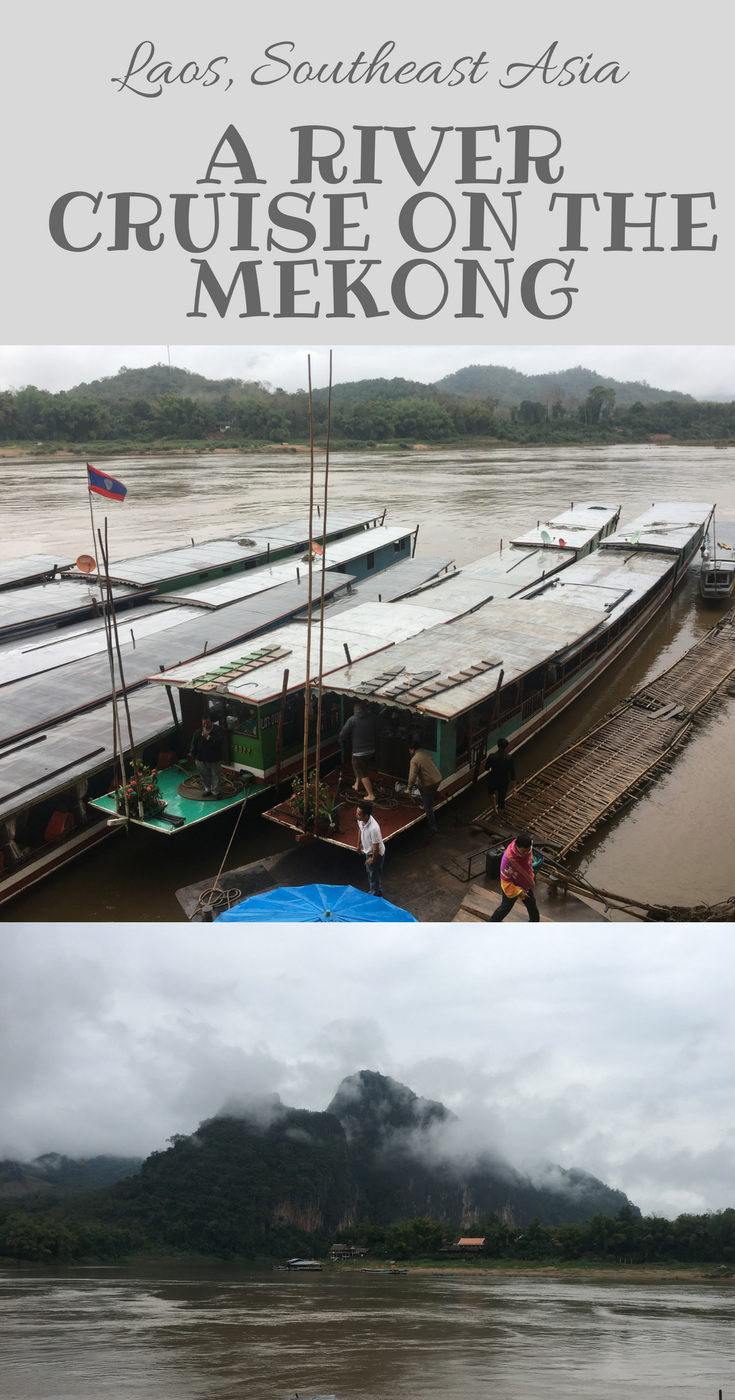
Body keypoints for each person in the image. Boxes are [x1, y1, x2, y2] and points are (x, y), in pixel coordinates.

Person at [489, 831, 540, 922]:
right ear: (517, 846)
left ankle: (534, 924)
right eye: (523, 851)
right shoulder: (508, 859)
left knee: (532, 904)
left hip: (525, 882)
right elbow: (505, 879)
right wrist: (518, 892)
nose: (526, 853)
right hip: (512, 885)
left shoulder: (528, 851)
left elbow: (528, 864)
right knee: (505, 907)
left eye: (528, 850)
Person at [339, 700, 377, 803]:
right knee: (361, 768)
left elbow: (343, 733)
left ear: (354, 711)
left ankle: (370, 794)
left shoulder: (352, 719)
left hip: (359, 752)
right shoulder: (371, 717)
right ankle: (357, 784)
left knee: (361, 771)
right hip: (371, 750)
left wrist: (341, 741)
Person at [407, 740, 442, 835]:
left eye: (410, 750)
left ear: (412, 750)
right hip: (437, 779)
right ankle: (425, 802)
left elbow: (412, 776)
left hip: (429, 784)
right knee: (419, 786)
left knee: (429, 807)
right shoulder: (426, 754)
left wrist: (409, 788)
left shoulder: (414, 760)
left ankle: (433, 828)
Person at [189, 714, 224, 799]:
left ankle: (216, 791)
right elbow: (193, 745)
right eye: (204, 723)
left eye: (207, 723)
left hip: (213, 758)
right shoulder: (198, 732)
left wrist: (208, 737)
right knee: (205, 775)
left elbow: (219, 742)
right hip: (201, 759)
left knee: (216, 775)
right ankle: (208, 789)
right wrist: (194, 756)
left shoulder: (217, 730)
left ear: (212, 722)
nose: (205, 725)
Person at [356, 801, 385, 897]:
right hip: (368, 852)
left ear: (366, 816)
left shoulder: (374, 829)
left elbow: (376, 848)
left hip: (376, 854)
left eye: (359, 814)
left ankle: (374, 896)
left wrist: (372, 859)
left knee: (373, 875)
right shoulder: (361, 821)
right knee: (373, 874)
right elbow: (360, 830)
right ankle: (378, 890)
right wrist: (358, 844)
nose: (357, 816)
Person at [485, 737, 516, 814]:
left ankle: (494, 808)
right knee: (501, 799)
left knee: (491, 792)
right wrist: (514, 787)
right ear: (506, 746)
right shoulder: (509, 758)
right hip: (504, 780)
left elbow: (486, 768)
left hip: (493, 778)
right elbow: (512, 773)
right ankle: (499, 820)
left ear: (497, 745)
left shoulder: (491, 756)